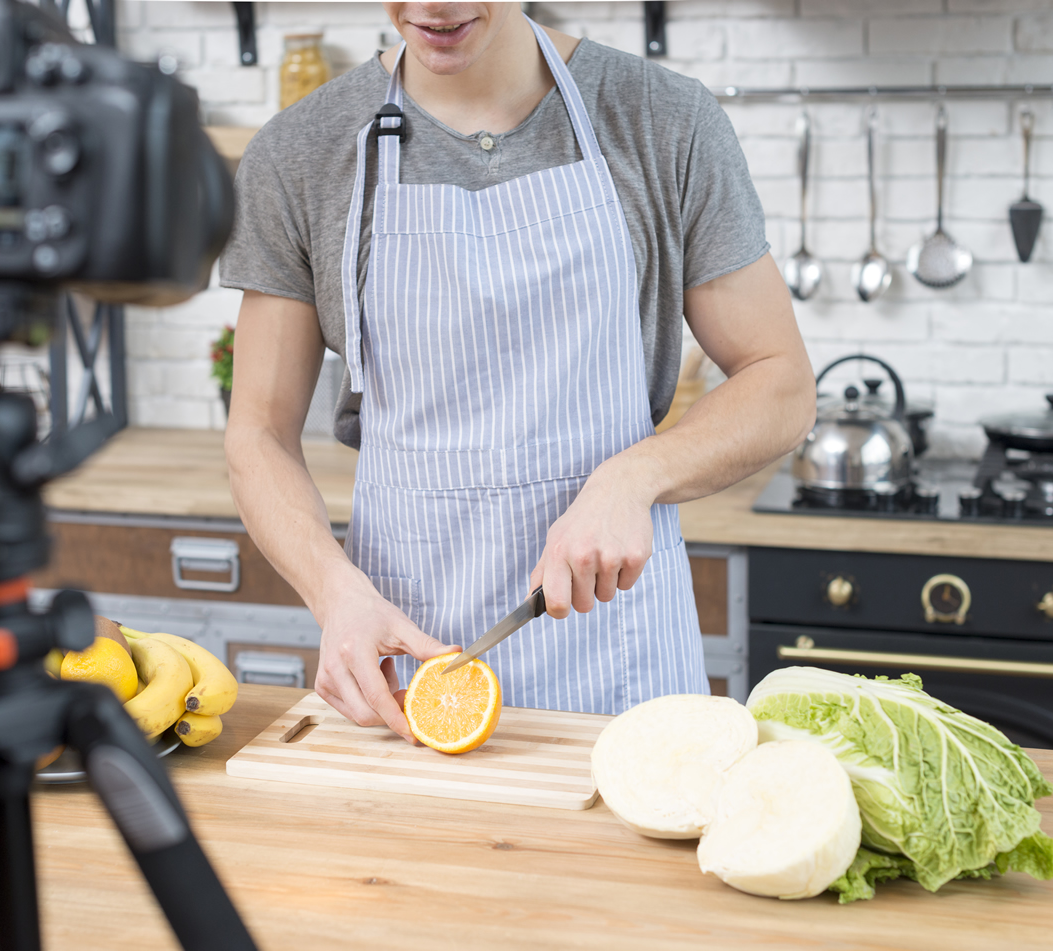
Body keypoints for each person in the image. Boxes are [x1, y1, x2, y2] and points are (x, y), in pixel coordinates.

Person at [221, 3, 814, 740]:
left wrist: (632, 478)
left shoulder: (661, 118)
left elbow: (779, 380)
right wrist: (332, 593)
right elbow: (258, 434)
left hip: (621, 655)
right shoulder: (300, 152)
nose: (432, 5)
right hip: (409, 659)